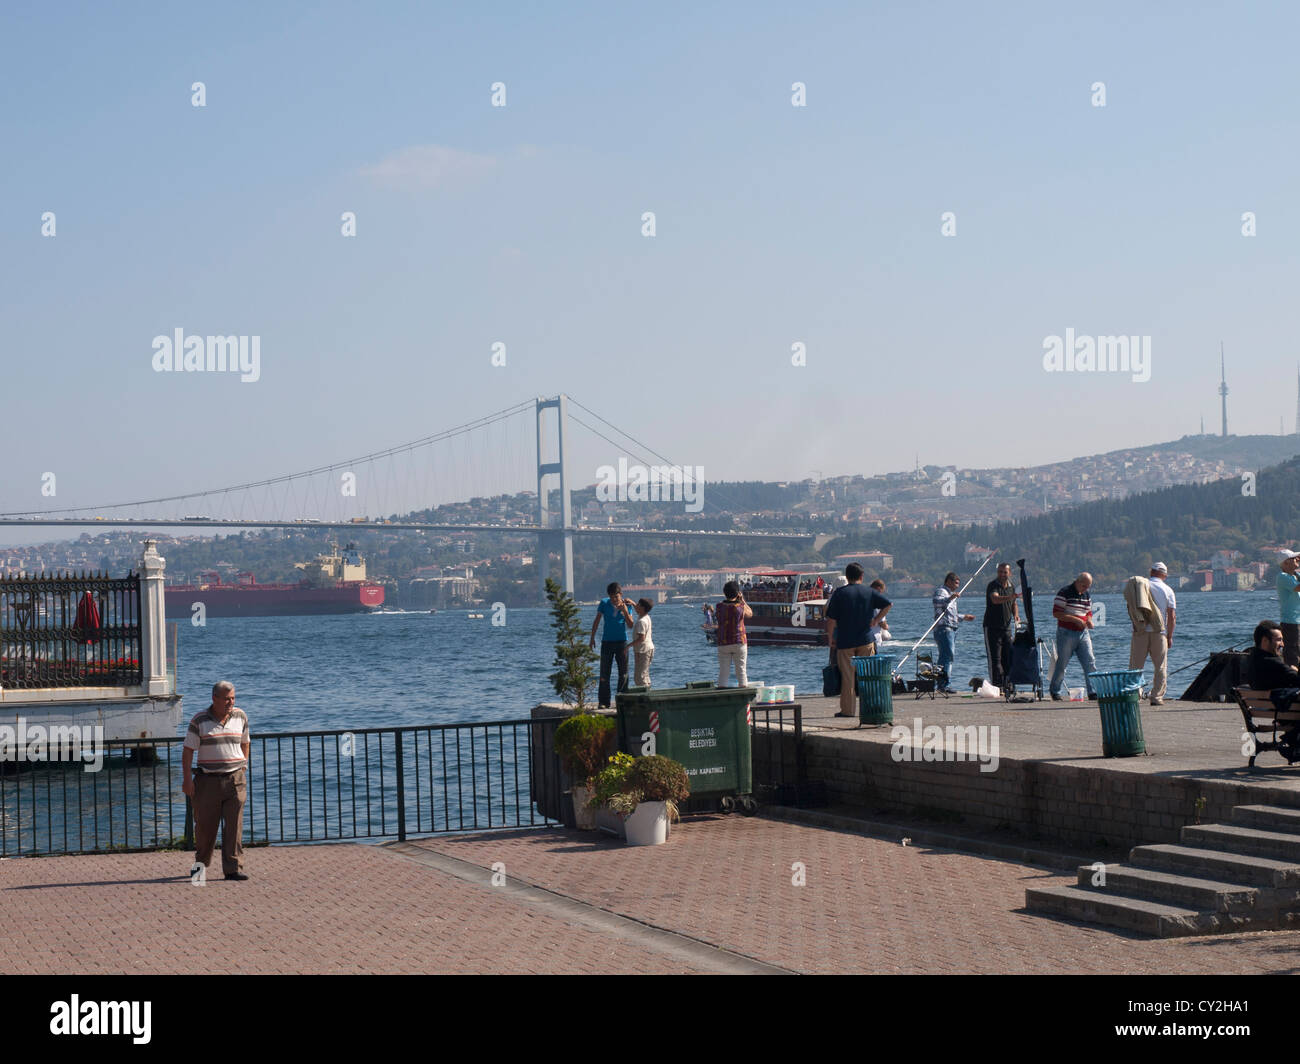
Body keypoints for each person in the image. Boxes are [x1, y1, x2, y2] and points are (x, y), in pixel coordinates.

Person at [181, 680, 251, 881]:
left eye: (232, 698)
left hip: (235, 779)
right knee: (205, 828)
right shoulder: (200, 720)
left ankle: (233, 869)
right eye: (226, 699)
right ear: (214, 699)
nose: (230, 702)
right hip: (208, 781)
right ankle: (200, 867)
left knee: (234, 827)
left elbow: (245, 743)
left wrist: (243, 766)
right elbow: (188, 752)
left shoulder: (240, 716)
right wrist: (187, 780)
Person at [825, 564, 892, 716]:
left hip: (845, 641)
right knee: (868, 676)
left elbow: (831, 619)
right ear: (862, 576)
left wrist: (830, 638)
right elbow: (888, 604)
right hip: (866, 640)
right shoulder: (868, 591)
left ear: (847, 577)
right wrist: (876, 619)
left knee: (848, 677)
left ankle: (848, 711)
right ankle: (869, 708)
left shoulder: (840, 593)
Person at [1129, 563, 1176, 706]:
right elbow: (1172, 616)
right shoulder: (1167, 590)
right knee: (1160, 667)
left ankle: (1134, 695)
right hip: (1159, 632)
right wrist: (1169, 636)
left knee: (1135, 666)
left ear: (1151, 572)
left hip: (1141, 631)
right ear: (1164, 575)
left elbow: (1131, 607)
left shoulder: (1141, 586)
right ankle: (1156, 697)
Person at [1049, 572, 1097, 701]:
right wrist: (1074, 620)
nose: (1086, 589)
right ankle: (1055, 691)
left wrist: (1089, 620)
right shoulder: (1064, 592)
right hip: (1066, 632)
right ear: (1077, 581)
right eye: (1084, 585)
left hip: (1083, 633)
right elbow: (1056, 613)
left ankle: (1092, 691)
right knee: (1062, 663)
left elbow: (1088, 612)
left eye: (1088, 586)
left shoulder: (1086, 594)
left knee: (1090, 661)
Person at [589, 582, 635, 708]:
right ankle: (604, 702)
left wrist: (625, 610)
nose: (614, 600)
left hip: (622, 643)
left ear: (621, 594)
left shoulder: (627, 605)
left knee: (624, 673)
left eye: (616, 597)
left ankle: (623, 701)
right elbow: (597, 620)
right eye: (612, 597)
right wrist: (592, 638)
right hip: (607, 642)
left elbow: (631, 625)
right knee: (604, 674)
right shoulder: (604, 603)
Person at [932, 572, 975, 695]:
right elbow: (937, 602)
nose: (957, 586)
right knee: (947, 656)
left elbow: (950, 615)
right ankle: (943, 685)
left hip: (951, 628)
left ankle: (942, 683)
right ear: (948, 581)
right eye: (956, 583)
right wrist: (950, 598)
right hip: (944, 629)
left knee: (946, 656)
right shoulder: (942, 591)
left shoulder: (950, 595)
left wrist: (963, 617)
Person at [982, 562, 1021, 692]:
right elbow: (995, 599)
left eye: (1005, 572)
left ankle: (1008, 685)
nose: (1002, 574)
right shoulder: (992, 585)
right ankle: (997, 686)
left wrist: (1016, 615)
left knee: (1008, 657)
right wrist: (1011, 597)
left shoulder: (1011, 586)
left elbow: (1014, 603)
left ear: (1009, 573)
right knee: (995, 660)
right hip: (992, 627)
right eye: (1000, 572)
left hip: (1006, 628)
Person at [715, 581, 752, 687]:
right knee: (741, 672)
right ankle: (745, 701)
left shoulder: (719, 607)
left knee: (723, 672)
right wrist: (742, 599)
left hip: (723, 642)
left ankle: (722, 696)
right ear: (737, 593)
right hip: (739, 642)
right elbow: (750, 613)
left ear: (724, 593)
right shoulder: (740, 607)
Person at [1248, 620, 1300, 691]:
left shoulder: (1252, 659)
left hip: (1260, 701)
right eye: (1279, 640)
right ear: (1265, 640)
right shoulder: (1273, 663)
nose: (1282, 644)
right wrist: (1296, 671)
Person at [1277, 552, 1300, 668]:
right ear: (1286, 562)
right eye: (1293, 558)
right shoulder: (1282, 577)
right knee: (1293, 655)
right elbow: (1297, 587)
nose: (1297, 559)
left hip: (1297, 622)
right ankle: (1293, 682)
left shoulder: (1295, 576)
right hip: (1291, 623)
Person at [630, 598, 654, 688]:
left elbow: (641, 638)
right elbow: (637, 610)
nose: (637, 606)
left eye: (638, 605)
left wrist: (627, 646)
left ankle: (645, 697)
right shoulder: (645, 616)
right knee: (644, 675)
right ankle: (648, 693)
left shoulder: (641, 621)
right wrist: (632, 602)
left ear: (643, 608)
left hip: (643, 651)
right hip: (647, 649)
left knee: (640, 678)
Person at [867, 579, 891, 648]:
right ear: (878, 589)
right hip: (874, 638)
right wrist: (886, 627)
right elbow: (882, 623)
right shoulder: (876, 602)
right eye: (882, 591)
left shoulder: (865, 598)